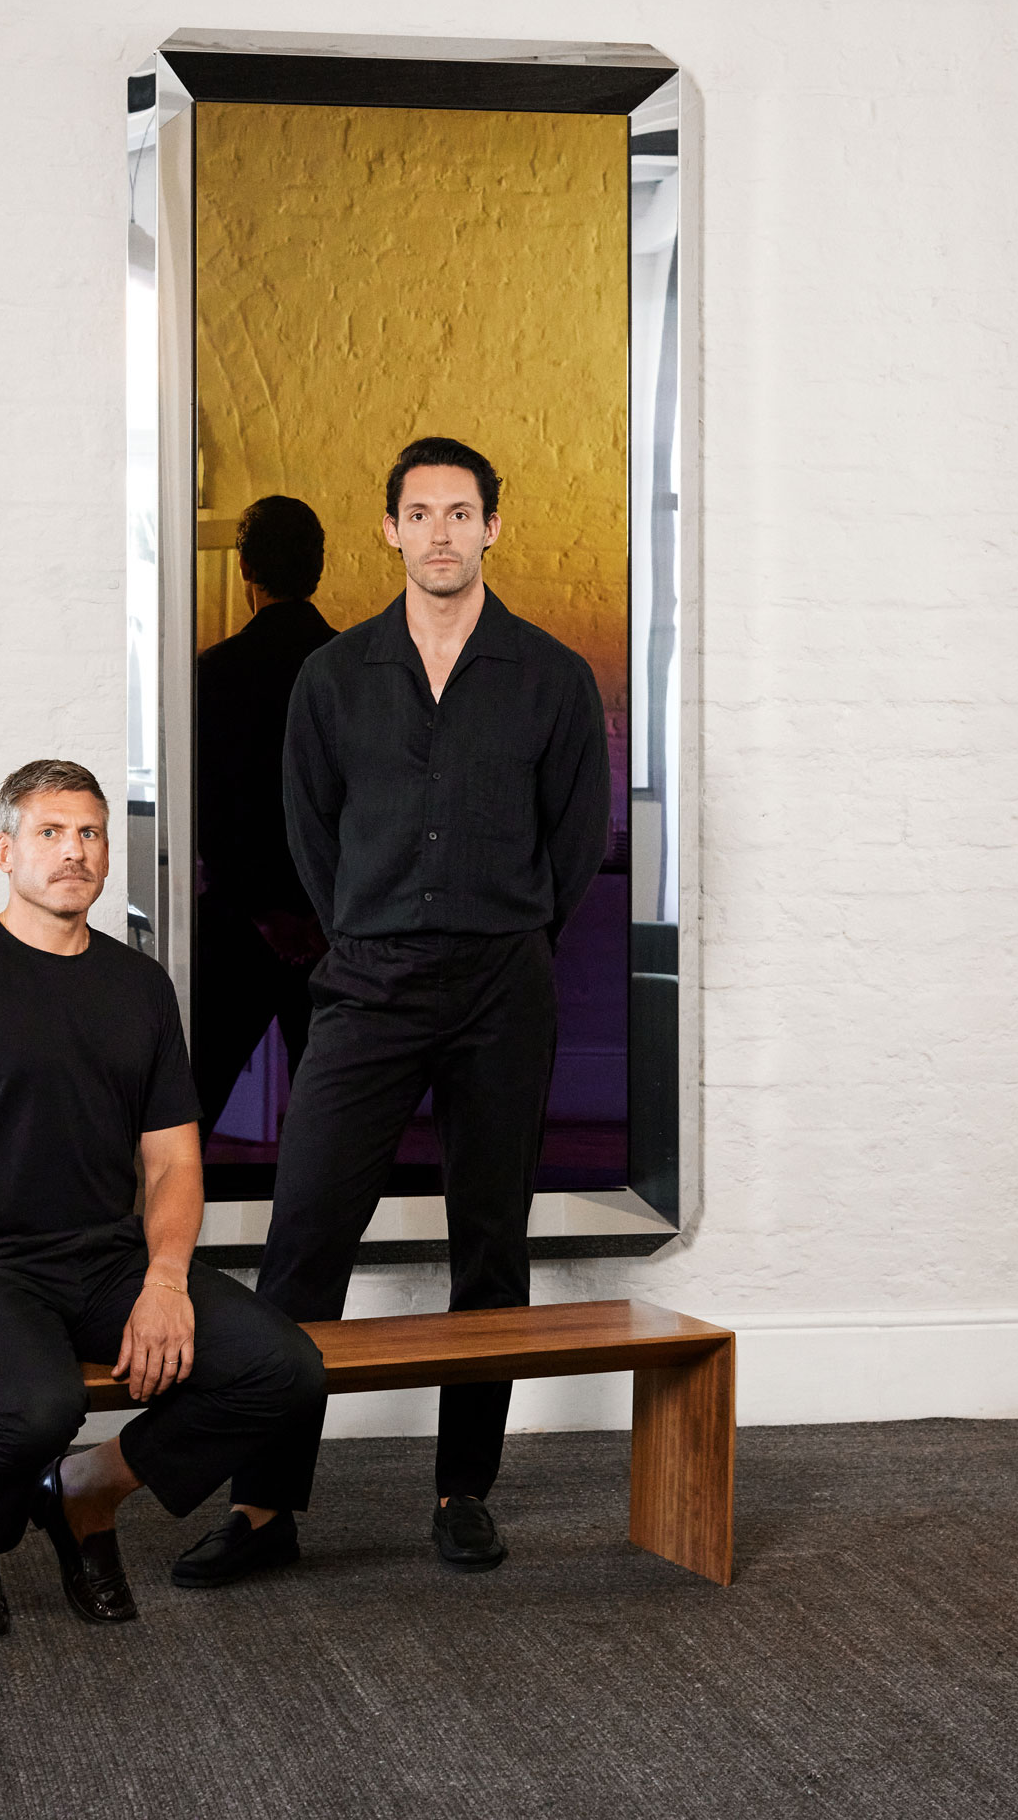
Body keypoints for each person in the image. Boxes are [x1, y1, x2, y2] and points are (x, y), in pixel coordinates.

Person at [179, 436, 611, 1589]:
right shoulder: (335, 678)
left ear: (491, 530)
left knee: (490, 1246)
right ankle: (267, 1507)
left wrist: (498, 928)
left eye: (459, 513)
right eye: (418, 513)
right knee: (303, 1242)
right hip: (364, 984)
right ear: (388, 531)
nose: (438, 533)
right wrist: (366, 927)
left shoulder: (551, 676)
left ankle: (462, 1490)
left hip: (499, 988)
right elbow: (307, 832)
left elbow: (573, 847)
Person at [0, 758, 326, 1639]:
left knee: (284, 1372)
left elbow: (175, 1166)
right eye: (49, 833)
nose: (72, 851)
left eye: (89, 834)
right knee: (40, 1406)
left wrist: (163, 1283)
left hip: (109, 1263)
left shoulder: (138, 986)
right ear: (6, 850)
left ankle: (85, 1491)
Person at [193, 496, 336, 1143]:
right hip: (334, 925)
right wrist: (317, 913)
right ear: (319, 566)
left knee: (191, 1098)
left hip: (239, 923)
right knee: (333, 1112)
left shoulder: (215, 673)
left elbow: (212, 810)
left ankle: (165, 1235)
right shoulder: (357, 673)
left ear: (245, 564)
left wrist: (263, 911)